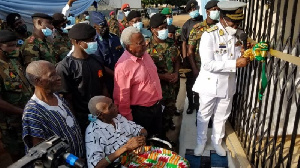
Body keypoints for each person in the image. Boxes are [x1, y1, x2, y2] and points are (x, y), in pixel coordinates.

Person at [193, 1, 250, 156]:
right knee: (204, 115)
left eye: (238, 21)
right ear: (223, 18)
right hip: (210, 84)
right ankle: (201, 142)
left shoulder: (236, 34)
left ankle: (217, 142)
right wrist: (235, 63)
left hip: (228, 84)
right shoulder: (209, 35)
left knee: (222, 115)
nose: (236, 24)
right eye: (233, 21)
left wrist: (244, 55)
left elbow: (236, 56)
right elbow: (208, 64)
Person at [22, 60, 84, 158]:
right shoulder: (33, 113)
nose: (59, 78)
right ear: (38, 81)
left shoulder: (57, 97)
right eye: (52, 75)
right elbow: (39, 152)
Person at [56, 23, 109, 133]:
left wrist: (106, 108)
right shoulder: (65, 67)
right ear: (76, 42)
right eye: (89, 40)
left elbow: (103, 85)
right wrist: (75, 121)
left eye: (93, 39)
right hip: (81, 117)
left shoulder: (96, 60)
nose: (93, 43)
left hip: (101, 114)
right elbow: (66, 98)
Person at [114, 27, 163, 138]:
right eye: (140, 43)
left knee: (157, 137)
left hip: (156, 107)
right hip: (141, 113)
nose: (145, 44)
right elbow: (122, 97)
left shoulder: (145, 55)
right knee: (143, 144)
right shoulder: (123, 66)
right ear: (128, 47)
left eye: (144, 40)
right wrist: (129, 122)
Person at [85, 96, 147, 168]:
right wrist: (126, 148)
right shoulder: (93, 132)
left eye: (113, 103)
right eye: (110, 106)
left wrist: (141, 138)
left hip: (138, 156)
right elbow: (96, 166)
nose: (115, 106)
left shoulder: (118, 118)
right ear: (101, 115)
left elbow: (141, 130)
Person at [0, 30, 33, 161]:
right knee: (18, 157)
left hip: (26, 117)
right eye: (9, 46)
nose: (14, 49)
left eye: (15, 45)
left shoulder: (13, 61)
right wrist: (22, 111)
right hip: (10, 124)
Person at [147, 14, 180, 132]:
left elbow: (177, 59)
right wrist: (163, 77)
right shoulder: (147, 48)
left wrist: (176, 73)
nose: (164, 30)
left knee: (170, 108)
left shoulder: (171, 43)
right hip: (158, 87)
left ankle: (167, 124)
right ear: (153, 30)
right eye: (161, 28)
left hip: (172, 84)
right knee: (158, 113)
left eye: (165, 27)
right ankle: (160, 134)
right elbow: (146, 71)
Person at [90, 11, 124, 97]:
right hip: (105, 80)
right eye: (102, 26)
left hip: (121, 77)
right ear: (95, 26)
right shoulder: (93, 43)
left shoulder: (115, 38)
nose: (105, 28)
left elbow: (123, 55)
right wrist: (115, 74)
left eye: (106, 25)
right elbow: (99, 64)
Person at [181, 0, 203, 114]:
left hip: (203, 59)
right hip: (190, 59)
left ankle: (199, 104)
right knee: (190, 84)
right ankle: (191, 104)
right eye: (190, 10)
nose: (193, 11)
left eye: (194, 9)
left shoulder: (204, 21)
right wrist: (184, 59)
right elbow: (184, 43)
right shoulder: (186, 25)